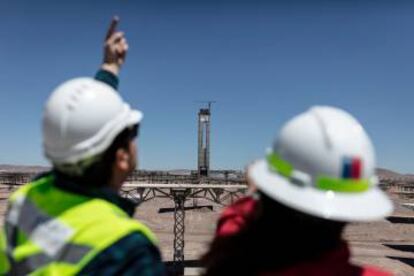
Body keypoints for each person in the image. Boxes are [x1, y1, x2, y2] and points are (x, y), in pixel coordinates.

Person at [0, 17, 166, 275]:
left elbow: (76, 132)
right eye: (131, 132)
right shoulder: (128, 249)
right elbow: (81, 132)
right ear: (121, 157)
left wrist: (109, 68)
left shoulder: (26, 200)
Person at [202, 106, 394, 276]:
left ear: (269, 197)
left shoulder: (232, 264)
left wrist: (253, 194)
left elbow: (231, 232)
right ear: (350, 208)